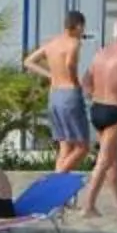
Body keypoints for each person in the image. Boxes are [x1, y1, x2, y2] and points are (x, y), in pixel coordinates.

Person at [75, 15, 117, 218]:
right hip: (116, 110)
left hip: (97, 108)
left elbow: (85, 80)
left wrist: (92, 94)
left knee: (113, 158)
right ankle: (88, 205)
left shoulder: (101, 53)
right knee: (105, 160)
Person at [25, 9, 92, 172]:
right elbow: (70, 64)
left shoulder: (52, 43)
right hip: (69, 94)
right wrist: (75, 81)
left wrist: (50, 75)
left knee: (65, 146)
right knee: (83, 147)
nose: (83, 31)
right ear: (78, 26)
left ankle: (59, 193)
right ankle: (57, 178)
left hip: (54, 95)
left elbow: (29, 61)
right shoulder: (74, 43)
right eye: (82, 28)